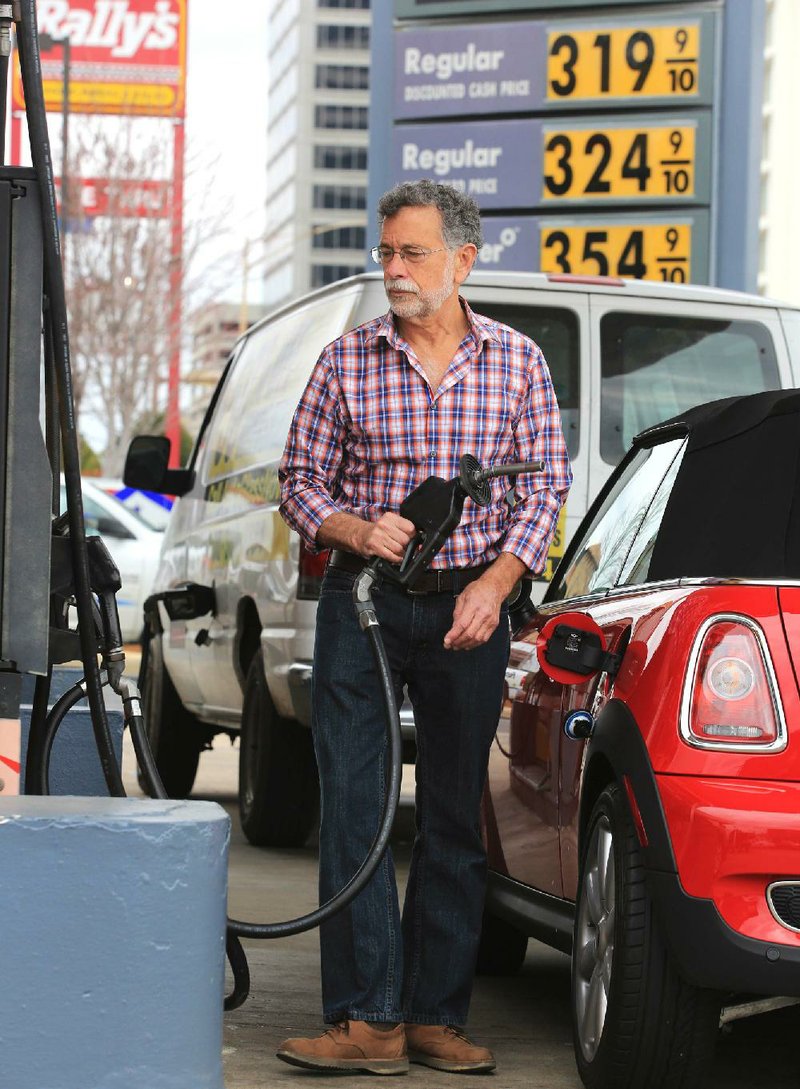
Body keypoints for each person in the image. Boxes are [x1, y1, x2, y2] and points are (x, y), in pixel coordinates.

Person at [276, 178, 572, 1076]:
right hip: (361, 601)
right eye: (388, 253)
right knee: (358, 808)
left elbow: (545, 489)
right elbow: (297, 480)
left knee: (452, 813)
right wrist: (356, 528)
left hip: (468, 612)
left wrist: (497, 581)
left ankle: (437, 1015)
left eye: (412, 253)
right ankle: (370, 1019)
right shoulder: (346, 360)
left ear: (463, 260)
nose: (395, 270)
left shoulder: (518, 362)